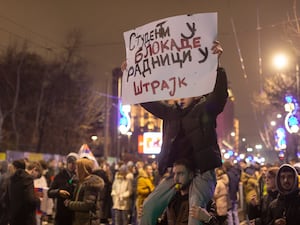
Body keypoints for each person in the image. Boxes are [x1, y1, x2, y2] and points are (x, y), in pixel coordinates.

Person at [122, 40, 227, 225]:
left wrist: (217, 64)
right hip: (177, 172)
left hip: (202, 172)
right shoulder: (170, 113)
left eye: (186, 90)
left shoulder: (204, 109)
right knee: (147, 208)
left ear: (196, 94)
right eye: (178, 90)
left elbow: (219, 96)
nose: (180, 95)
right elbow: (146, 100)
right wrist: (131, 74)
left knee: (195, 216)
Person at [156, 159, 218, 225]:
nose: (176, 178)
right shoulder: (172, 199)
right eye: (174, 174)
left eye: (181, 174)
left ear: (191, 175)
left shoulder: (202, 200)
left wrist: (207, 219)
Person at [64, 157, 104, 225]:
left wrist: (69, 204)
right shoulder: (81, 182)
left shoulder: (90, 185)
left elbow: (87, 205)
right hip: (81, 220)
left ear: (82, 169)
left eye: (77, 168)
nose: (75, 171)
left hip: (88, 221)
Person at [48, 152, 79, 225]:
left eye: (74, 163)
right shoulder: (59, 176)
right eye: (69, 162)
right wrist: (59, 192)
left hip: (75, 214)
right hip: (61, 214)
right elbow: (49, 192)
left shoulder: (79, 176)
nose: (71, 165)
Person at [8, 159, 40, 225]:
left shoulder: (12, 179)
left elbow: (7, 198)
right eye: (37, 176)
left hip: (13, 218)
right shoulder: (28, 179)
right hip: (25, 219)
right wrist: (38, 200)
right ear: (34, 170)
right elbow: (30, 199)